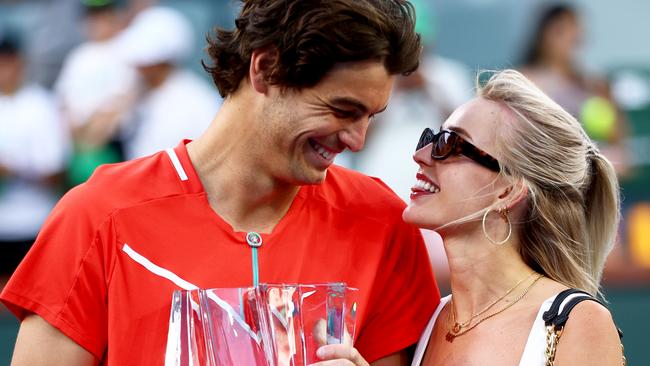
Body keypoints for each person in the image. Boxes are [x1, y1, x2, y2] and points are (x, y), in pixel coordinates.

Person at [1, 1, 439, 365]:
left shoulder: (381, 222)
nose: (357, 141)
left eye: (369, 117)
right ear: (266, 69)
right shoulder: (100, 214)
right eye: (342, 109)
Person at [402, 69, 623, 365]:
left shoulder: (577, 322)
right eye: (430, 137)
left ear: (508, 190)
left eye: (449, 143)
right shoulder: (431, 320)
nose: (422, 154)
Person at [0, 27, 69, 279]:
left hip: (31, 223)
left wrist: (12, 168)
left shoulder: (40, 105)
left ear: (20, 62)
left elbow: (56, 174)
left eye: (7, 59)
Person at [118, 5, 221, 160]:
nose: (138, 67)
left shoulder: (199, 101)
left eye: (145, 62)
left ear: (163, 61)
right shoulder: (135, 92)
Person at [54, 0, 137, 186]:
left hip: (113, 145)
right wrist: (80, 142)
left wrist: (93, 139)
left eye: (102, 14)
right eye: (91, 15)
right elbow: (64, 102)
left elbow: (122, 101)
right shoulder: (78, 56)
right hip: (79, 147)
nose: (96, 21)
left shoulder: (128, 49)